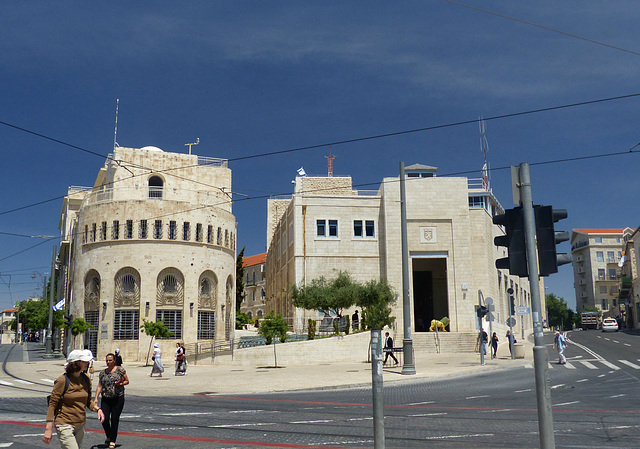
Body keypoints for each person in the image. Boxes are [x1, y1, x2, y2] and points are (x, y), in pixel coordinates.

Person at [43, 349, 105, 448]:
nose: (87, 363)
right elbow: (52, 404)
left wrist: (98, 409)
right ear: (76, 363)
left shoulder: (86, 379)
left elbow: (88, 401)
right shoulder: (62, 380)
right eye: (84, 361)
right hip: (64, 423)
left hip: (80, 424)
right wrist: (48, 428)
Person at [94, 353, 129, 449]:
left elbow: (127, 381)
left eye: (110, 360)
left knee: (114, 419)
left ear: (114, 361)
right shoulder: (103, 372)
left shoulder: (120, 370)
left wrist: (120, 383)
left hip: (118, 398)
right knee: (104, 418)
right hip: (106, 398)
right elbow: (99, 385)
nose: (108, 362)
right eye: (107, 361)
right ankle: (109, 436)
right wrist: (96, 398)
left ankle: (112, 440)